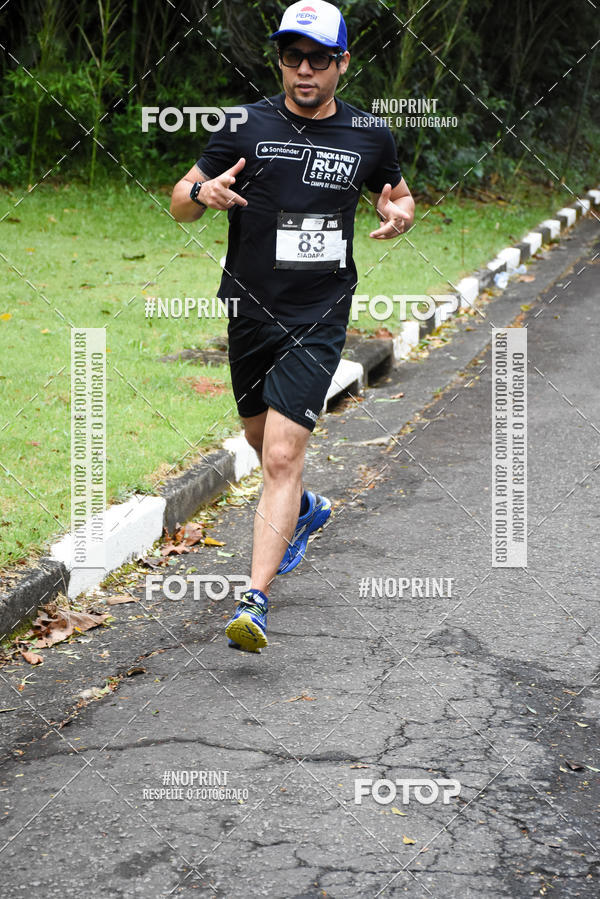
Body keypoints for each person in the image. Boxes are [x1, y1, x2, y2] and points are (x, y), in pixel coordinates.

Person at [170, 0, 414, 653]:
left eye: (317, 58)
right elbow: (179, 199)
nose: (302, 70)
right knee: (257, 436)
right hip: (249, 309)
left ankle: (254, 599)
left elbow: (397, 189)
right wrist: (202, 195)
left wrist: (401, 213)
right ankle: (305, 510)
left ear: (343, 63)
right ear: (279, 58)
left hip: (321, 310)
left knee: (281, 454)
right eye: (290, 56)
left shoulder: (370, 135)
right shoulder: (244, 125)